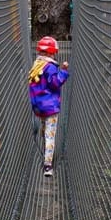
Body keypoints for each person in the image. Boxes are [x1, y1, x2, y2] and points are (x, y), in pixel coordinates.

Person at [28, 36, 69, 177]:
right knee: (50, 135)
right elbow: (55, 83)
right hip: (50, 108)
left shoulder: (36, 65)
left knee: (45, 131)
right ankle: (47, 166)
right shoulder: (50, 67)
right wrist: (63, 71)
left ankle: (45, 152)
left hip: (38, 107)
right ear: (52, 52)